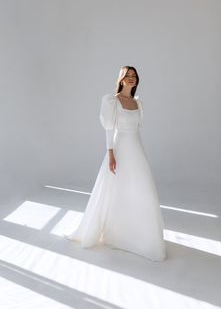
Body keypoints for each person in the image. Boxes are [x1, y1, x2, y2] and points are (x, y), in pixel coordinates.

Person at [66, 66, 166, 261]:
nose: (131, 79)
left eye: (133, 76)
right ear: (120, 79)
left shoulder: (138, 103)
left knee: (141, 188)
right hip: (119, 149)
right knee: (115, 188)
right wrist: (110, 153)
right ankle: (117, 233)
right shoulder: (112, 101)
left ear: (137, 80)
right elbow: (109, 128)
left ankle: (143, 237)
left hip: (136, 149)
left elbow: (137, 128)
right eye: (127, 76)